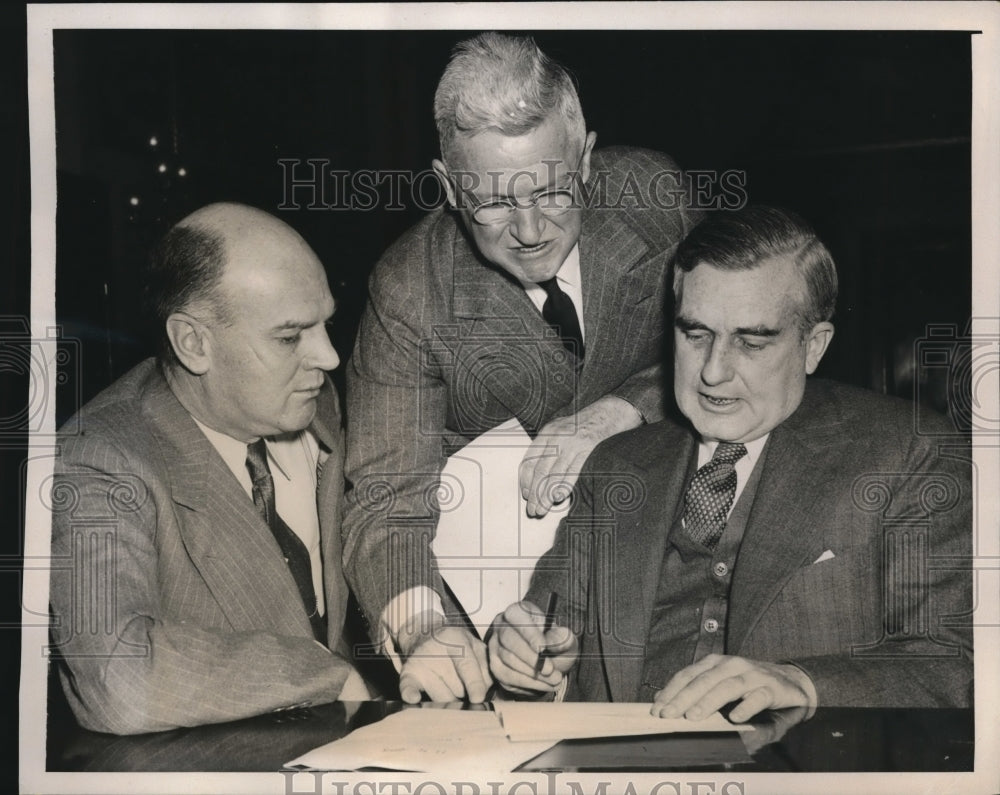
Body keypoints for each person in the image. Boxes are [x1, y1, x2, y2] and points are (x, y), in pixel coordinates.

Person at [489, 205, 972, 718]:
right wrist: (527, 670)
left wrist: (801, 684)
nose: (714, 373)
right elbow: (545, 648)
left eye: (751, 341)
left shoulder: (910, 454)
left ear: (814, 346)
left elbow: (956, 663)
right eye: (695, 336)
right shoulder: (615, 467)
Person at [343, 32, 703, 703]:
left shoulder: (656, 197)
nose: (533, 230)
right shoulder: (409, 289)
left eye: (555, 191)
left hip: (666, 574)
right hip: (496, 614)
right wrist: (425, 632)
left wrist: (622, 409)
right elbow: (390, 497)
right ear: (449, 186)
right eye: (496, 203)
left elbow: (734, 353)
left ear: (587, 157)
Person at [49, 203, 368, 735]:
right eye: (290, 337)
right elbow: (119, 680)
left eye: (325, 325)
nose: (330, 357)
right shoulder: (96, 462)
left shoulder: (315, 402)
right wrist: (320, 673)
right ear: (193, 342)